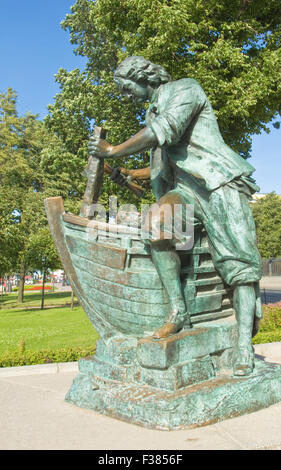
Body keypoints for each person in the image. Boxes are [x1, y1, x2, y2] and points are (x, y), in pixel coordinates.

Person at [89, 56, 262, 376]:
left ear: (143, 77)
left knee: (239, 265)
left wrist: (113, 150)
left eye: (126, 88)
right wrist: (128, 173)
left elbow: (164, 130)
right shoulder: (152, 111)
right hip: (186, 191)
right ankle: (178, 311)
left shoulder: (185, 90)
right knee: (155, 224)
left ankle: (242, 344)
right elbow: (165, 166)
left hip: (218, 183)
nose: (125, 95)